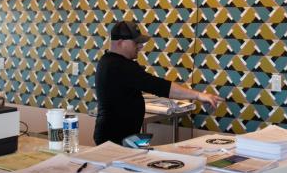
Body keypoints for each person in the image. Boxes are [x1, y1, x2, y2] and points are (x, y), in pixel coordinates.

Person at [93, 20, 224, 146]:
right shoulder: (119, 65)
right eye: (136, 42)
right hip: (114, 139)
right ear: (121, 42)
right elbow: (160, 86)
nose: (141, 46)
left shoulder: (109, 61)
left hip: (122, 136)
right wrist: (198, 95)